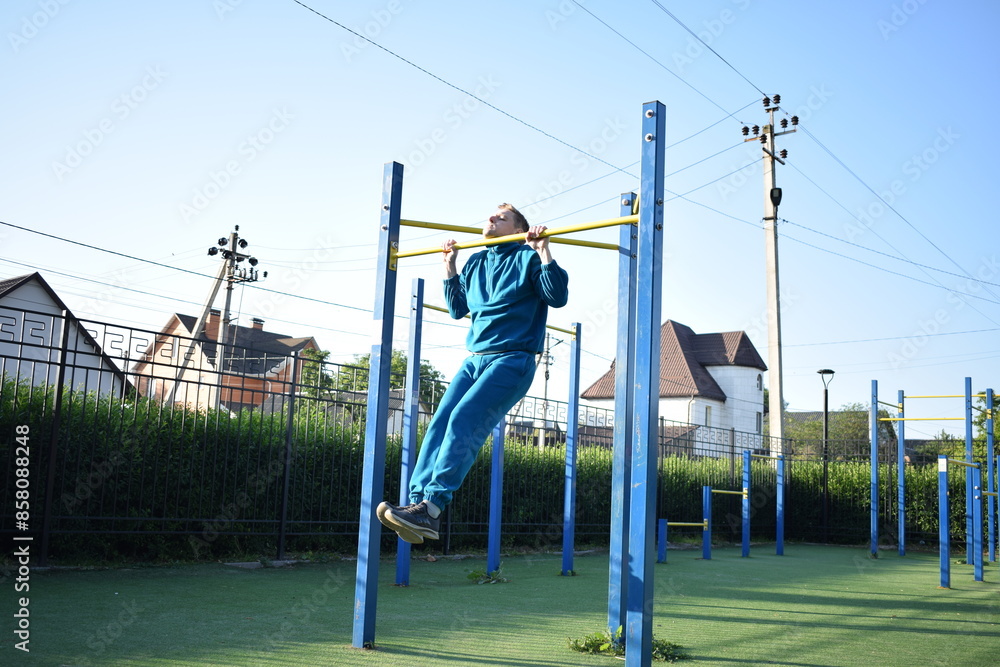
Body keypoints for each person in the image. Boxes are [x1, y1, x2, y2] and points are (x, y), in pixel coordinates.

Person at [377, 203, 569, 544]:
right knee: (441, 420)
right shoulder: (477, 260)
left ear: (517, 230)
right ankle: (419, 503)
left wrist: (543, 252)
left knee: (464, 418)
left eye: (502, 217)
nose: (492, 219)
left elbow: (556, 297)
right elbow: (457, 308)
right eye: (491, 215)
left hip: (513, 358)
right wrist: (449, 267)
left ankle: (433, 507)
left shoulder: (526, 258)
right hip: (476, 357)